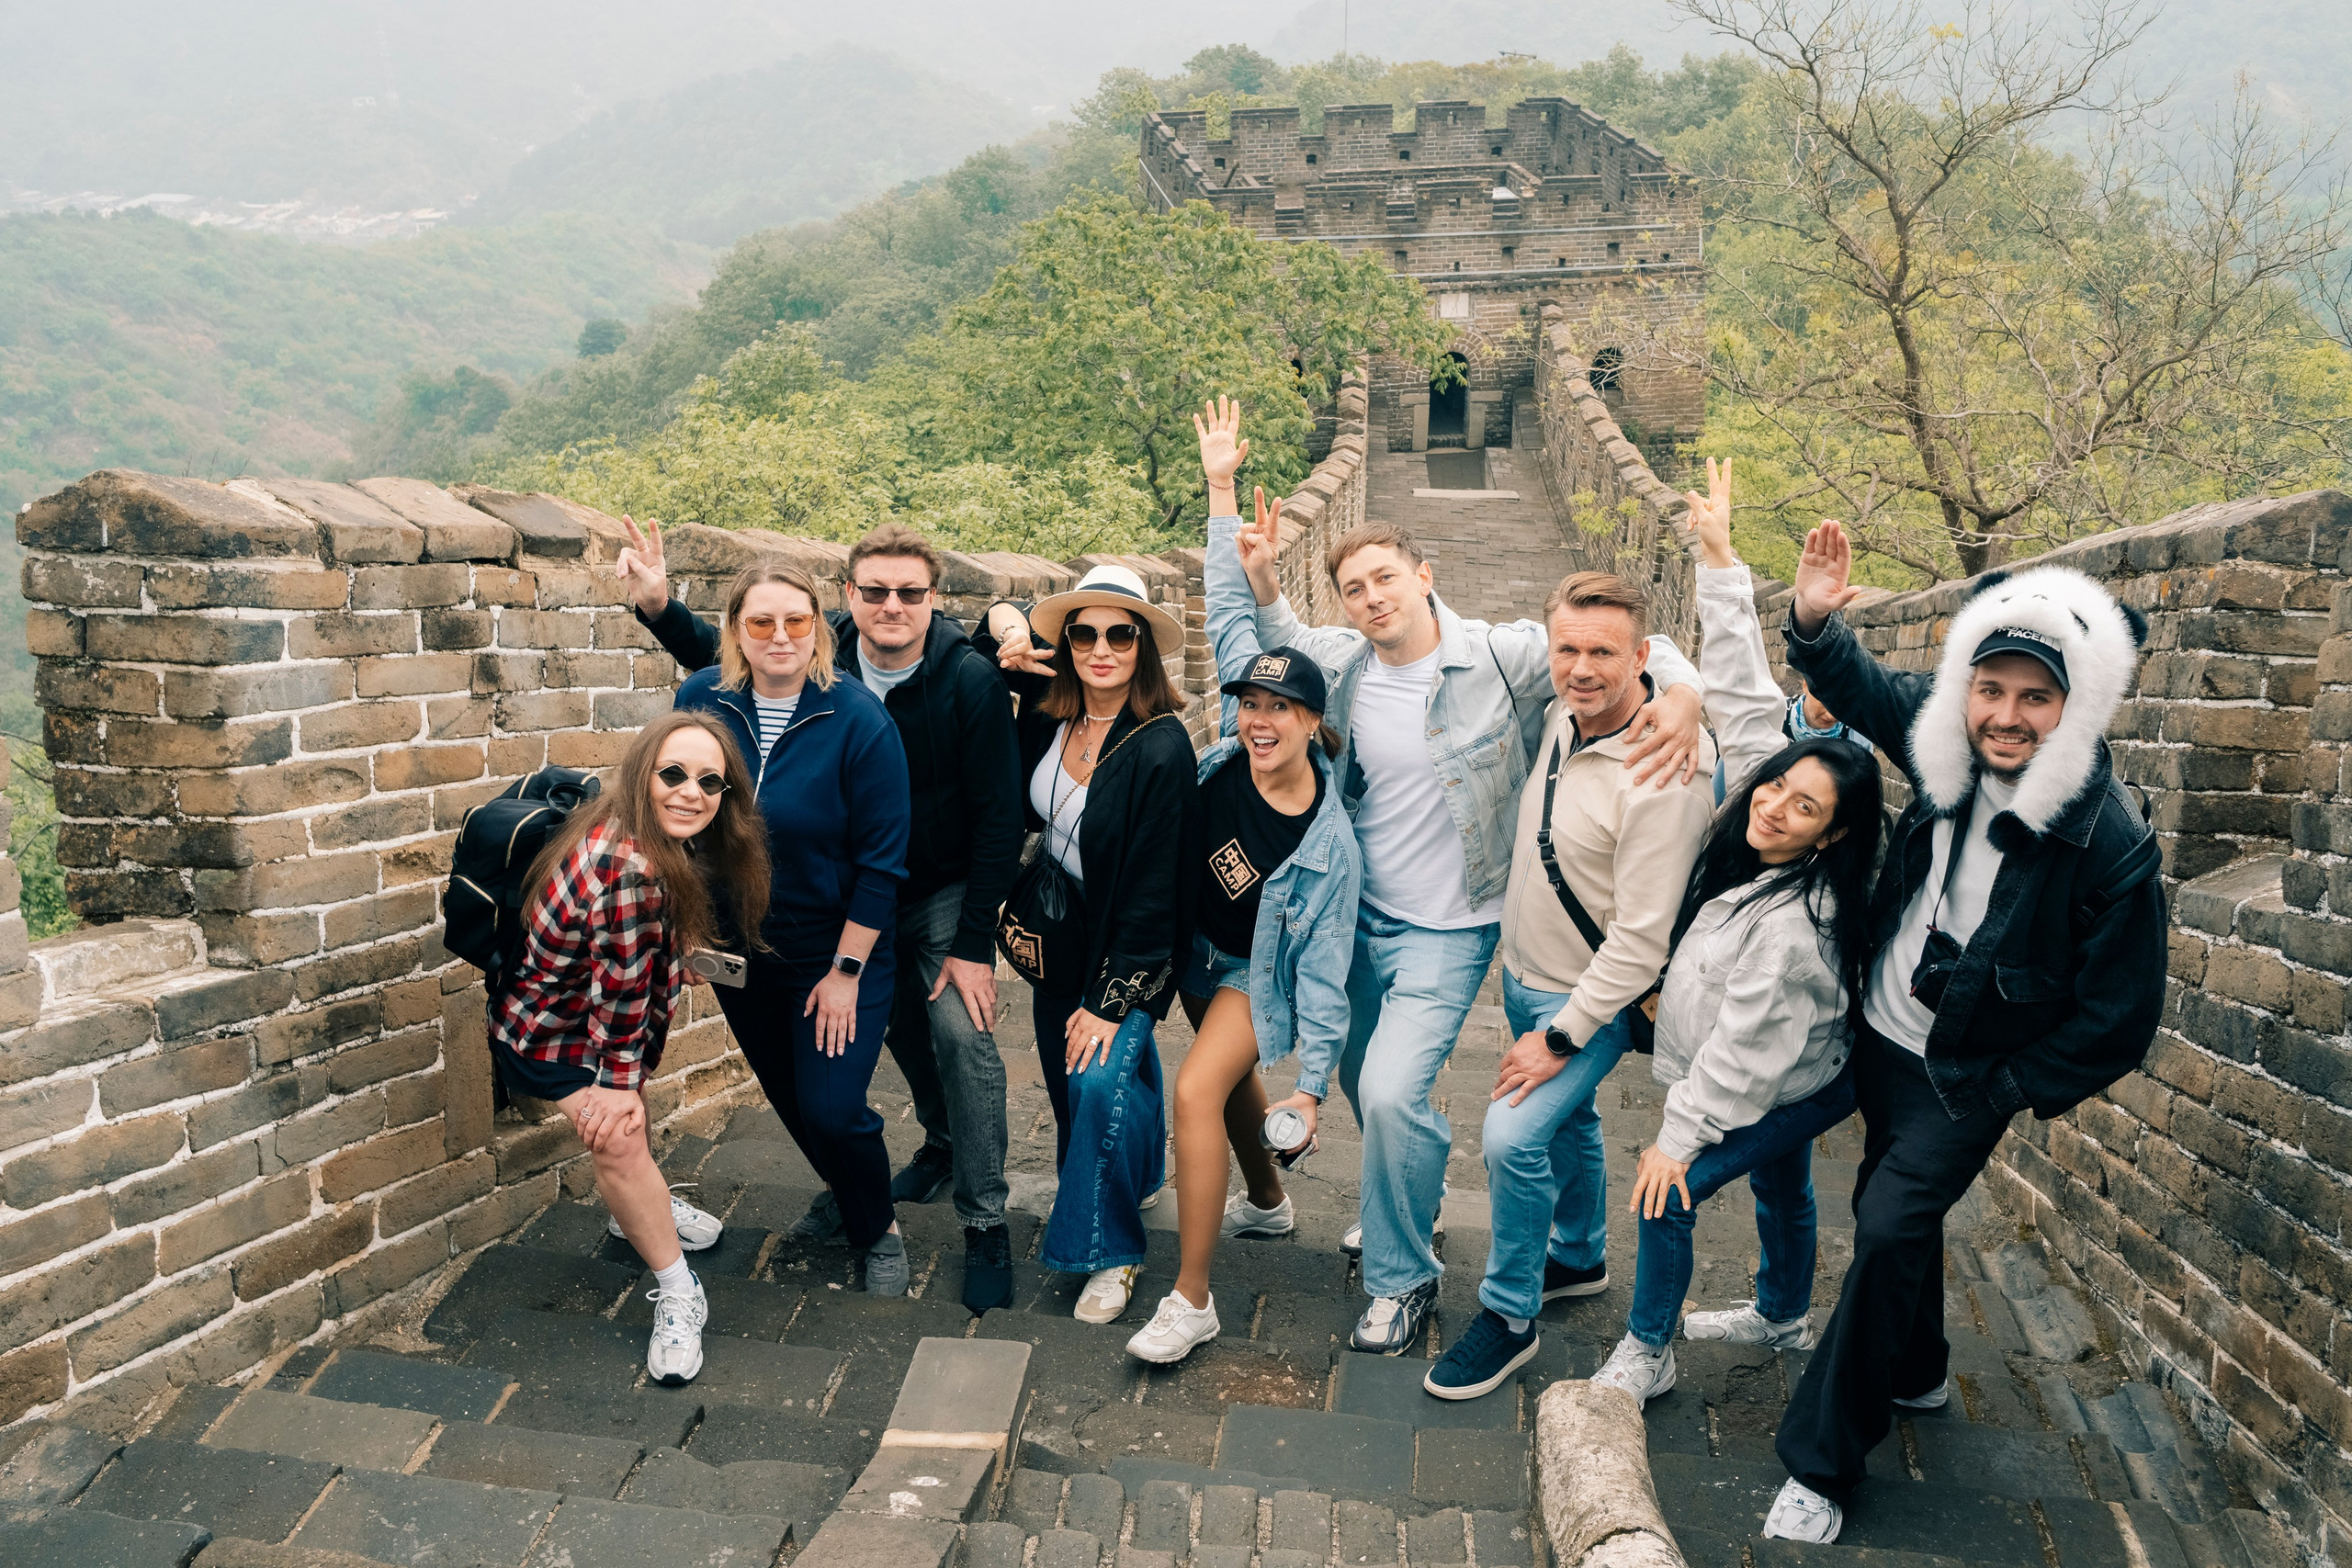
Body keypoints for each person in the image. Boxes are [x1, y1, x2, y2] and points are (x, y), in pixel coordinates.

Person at [1209, 396, 1708, 1354]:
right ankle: (1411, 1200)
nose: (1372, 598)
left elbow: (1622, 639)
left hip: (1451, 929)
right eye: (1352, 587)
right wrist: (1226, 503)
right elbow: (1251, 633)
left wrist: (1681, 695)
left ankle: (1401, 1282)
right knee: (1366, 1087)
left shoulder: (1503, 657)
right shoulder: (1342, 664)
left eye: (1385, 578)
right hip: (1355, 922)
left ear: (1424, 575)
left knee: (1394, 1095)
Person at [1761, 519, 2166, 1543]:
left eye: (2036, 696)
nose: (2006, 715)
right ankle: (1919, 1368)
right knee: (1887, 1209)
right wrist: (1810, 617)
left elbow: (2117, 1023)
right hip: (1880, 1037)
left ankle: (1820, 1462)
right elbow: (1853, 683)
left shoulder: (2108, 841)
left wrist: (2000, 1091)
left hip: (1964, 1075)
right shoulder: (1945, 735)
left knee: (1889, 1226)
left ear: (2076, 706)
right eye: (1992, 689)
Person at [620, 518, 1024, 1310]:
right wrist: (662, 605)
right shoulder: (713, 697)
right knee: (812, 1100)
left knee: (952, 1037)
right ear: (849, 600)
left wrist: (966, 944)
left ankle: (981, 1222)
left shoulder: (949, 687)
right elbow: (686, 792)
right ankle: (869, 1189)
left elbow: (998, 822)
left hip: (908, 900)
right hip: (762, 940)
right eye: (874, 591)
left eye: (909, 592)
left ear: (934, 600)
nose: (891, 605)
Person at [1573, 457, 1883, 1404]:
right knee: (1781, 1186)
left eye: (1803, 809)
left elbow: (1745, 1057)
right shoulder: (1766, 803)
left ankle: (1647, 1348)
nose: (1773, 809)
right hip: (1784, 1064)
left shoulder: (1800, 928)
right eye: (1775, 789)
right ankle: (1783, 1313)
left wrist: (1677, 1137)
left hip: (1795, 1076)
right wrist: (1718, 558)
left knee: (1667, 1192)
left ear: (1834, 834)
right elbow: (1745, 692)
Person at [1420, 566, 1719, 1398]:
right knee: (1572, 1123)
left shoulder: (1666, 772)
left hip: (1592, 998)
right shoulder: (1564, 713)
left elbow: (1642, 940)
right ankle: (1579, 1254)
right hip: (1525, 972)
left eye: (1603, 653)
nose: (1582, 668)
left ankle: (1510, 1313)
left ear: (1641, 657)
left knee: (1514, 1140)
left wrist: (1559, 1035)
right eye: (1568, 648)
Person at [1124, 450, 1363, 1365]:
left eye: (1278, 708)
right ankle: (1267, 1203)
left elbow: (1328, 975)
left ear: (1313, 722)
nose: (1258, 720)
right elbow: (1226, 610)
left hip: (1250, 977)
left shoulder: (1327, 848)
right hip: (1190, 946)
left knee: (1196, 1086)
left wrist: (1312, 1086)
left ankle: (1192, 1300)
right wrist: (1221, 495)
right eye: (1248, 703)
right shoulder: (1230, 747)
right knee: (1225, 1095)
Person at [489, 711, 773, 1384]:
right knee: (617, 1138)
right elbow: (619, 998)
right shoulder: (631, 869)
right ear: (644, 773)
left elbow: (625, 967)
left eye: (711, 781)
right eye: (673, 773)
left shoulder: (631, 827)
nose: (691, 792)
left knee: (626, 1128)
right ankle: (679, 1291)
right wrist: (618, 1090)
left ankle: (638, 1210)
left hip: (572, 1013)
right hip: (553, 1034)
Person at [671, 560, 915, 1298]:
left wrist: (845, 974)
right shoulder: (702, 700)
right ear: (736, 633)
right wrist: (687, 929)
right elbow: (675, 818)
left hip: (837, 952)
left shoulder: (858, 720)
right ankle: (852, 1202)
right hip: (740, 953)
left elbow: (882, 864)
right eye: (761, 623)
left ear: (819, 629)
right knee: (791, 1099)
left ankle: (881, 1230)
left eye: (796, 621)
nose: (780, 636)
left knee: (835, 1110)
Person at [982, 563, 1204, 1326]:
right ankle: (1133, 1172)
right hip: (1057, 941)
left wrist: (1112, 1004)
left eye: (1120, 633)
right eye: (1084, 632)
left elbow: (1154, 890)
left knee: (1097, 1080)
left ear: (1143, 645)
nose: (1101, 647)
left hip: (1129, 948)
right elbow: (974, 637)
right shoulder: (1048, 711)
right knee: (1072, 1092)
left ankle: (1111, 1252)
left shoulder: (1160, 748)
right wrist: (1013, 631)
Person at [1787, 677, 1873, 753]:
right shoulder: (1776, 715)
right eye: (1825, 702)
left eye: (1843, 705)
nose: (1831, 716)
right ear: (1806, 685)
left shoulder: (1859, 737)